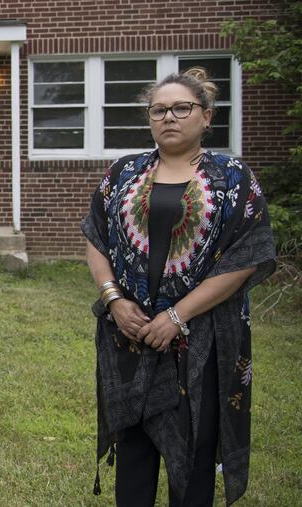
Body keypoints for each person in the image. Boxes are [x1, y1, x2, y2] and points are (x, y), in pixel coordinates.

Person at [82, 67, 277, 506]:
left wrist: (177, 315)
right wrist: (114, 300)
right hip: (129, 335)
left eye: (181, 108)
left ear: (206, 116)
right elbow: (96, 237)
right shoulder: (123, 173)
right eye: (159, 110)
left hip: (200, 339)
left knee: (192, 453)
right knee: (133, 448)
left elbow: (246, 257)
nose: (169, 117)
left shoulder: (232, 178)